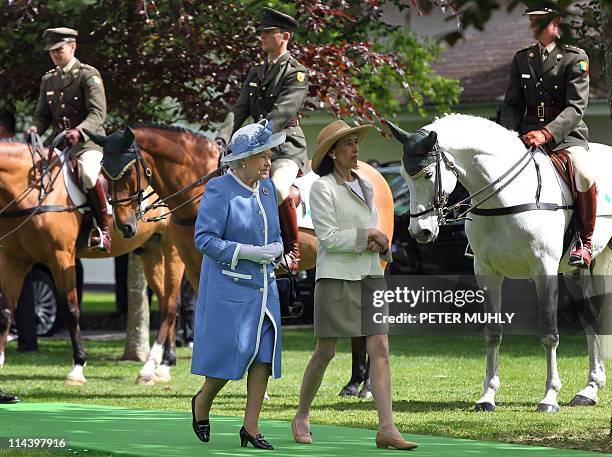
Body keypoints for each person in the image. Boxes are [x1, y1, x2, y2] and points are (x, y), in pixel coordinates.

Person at [291, 120, 417, 450]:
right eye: (347, 144)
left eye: (355, 142)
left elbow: (374, 229)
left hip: (370, 276)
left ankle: (387, 428)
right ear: (332, 153)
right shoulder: (322, 189)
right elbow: (329, 240)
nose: (355, 148)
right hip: (335, 278)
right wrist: (369, 237)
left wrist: (380, 241)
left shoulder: (368, 186)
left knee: (381, 349)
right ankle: (302, 414)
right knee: (326, 351)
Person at [191, 120, 285, 450]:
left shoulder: (269, 188)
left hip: (265, 289)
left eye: (269, 154)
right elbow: (204, 239)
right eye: (262, 155)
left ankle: (251, 428)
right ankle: (202, 402)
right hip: (230, 290)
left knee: (262, 357)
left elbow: (273, 235)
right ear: (242, 159)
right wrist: (245, 252)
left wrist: (277, 248)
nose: (268, 160)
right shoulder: (219, 190)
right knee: (231, 357)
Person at [500, 2, 595, 267]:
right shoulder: (522, 58)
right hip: (527, 135)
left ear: (557, 23)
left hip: (566, 137)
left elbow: (576, 107)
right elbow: (512, 103)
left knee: (584, 174)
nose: (534, 26)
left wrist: (547, 133)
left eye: (539, 20)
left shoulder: (575, 57)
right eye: (532, 20)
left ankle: (583, 242)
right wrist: (507, 135)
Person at [216, 7, 309, 272]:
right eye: (261, 34)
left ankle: (292, 250)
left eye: (268, 33)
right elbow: (239, 109)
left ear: (285, 37)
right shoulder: (256, 72)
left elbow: (282, 113)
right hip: (256, 150)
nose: (262, 38)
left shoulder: (296, 73)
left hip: (285, 148)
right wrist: (222, 138)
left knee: (278, 189)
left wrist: (252, 137)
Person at [27, 27, 110, 252]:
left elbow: (97, 114)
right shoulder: (49, 80)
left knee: (88, 174)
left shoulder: (87, 75)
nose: (55, 54)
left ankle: (103, 229)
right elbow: (42, 115)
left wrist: (79, 131)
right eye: (51, 51)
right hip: (59, 144)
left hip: (88, 143)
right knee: (35, 176)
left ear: (72, 47)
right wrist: (34, 128)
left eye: (59, 49)